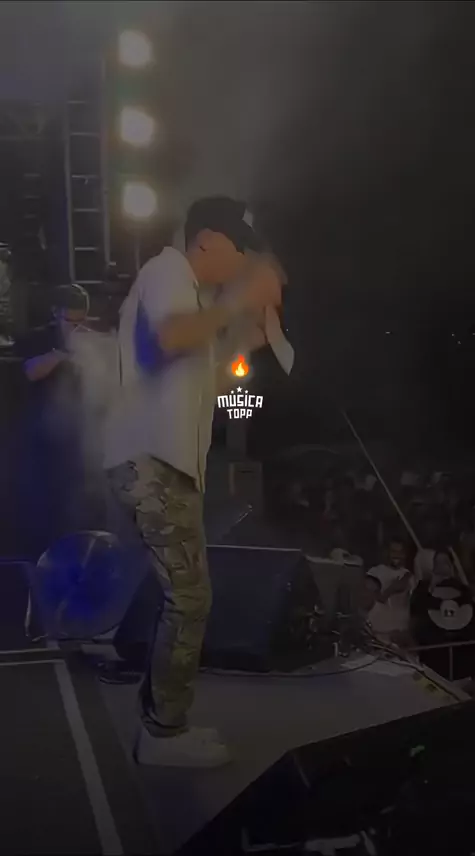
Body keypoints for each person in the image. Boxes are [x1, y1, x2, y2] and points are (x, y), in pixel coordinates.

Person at [102, 197, 282, 768]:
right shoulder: (167, 272)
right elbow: (173, 336)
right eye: (237, 250)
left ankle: (165, 723)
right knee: (188, 597)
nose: (242, 263)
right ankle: (163, 732)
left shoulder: (191, 294)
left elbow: (204, 377)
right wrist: (238, 303)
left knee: (187, 596)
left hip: (167, 464)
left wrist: (246, 340)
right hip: (150, 460)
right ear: (207, 239)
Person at [19, 284, 91, 555]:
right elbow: (30, 371)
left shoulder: (89, 340)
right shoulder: (37, 337)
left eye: (81, 321)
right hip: (42, 438)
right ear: (55, 312)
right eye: (70, 321)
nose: (76, 328)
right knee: (44, 508)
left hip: (78, 436)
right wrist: (62, 354)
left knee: (78, 505)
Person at [410, 549, 475, 681]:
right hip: (434, 655)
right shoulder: (422, 589)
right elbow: (416, 611)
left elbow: (469, 612)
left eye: (445, 563)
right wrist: (432, 588)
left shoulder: (462, 589)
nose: (441, 567)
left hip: (461, 656)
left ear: (452, 566)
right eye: (437, 563)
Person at [366, 539, 414, 645]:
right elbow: (371, 600)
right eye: (393, 551)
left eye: (400, 552)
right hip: (378, 631)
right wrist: (392, 589)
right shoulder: (374, 572)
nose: (397, 555)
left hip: (400, 633)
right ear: (386, 552)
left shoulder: (409, 576)